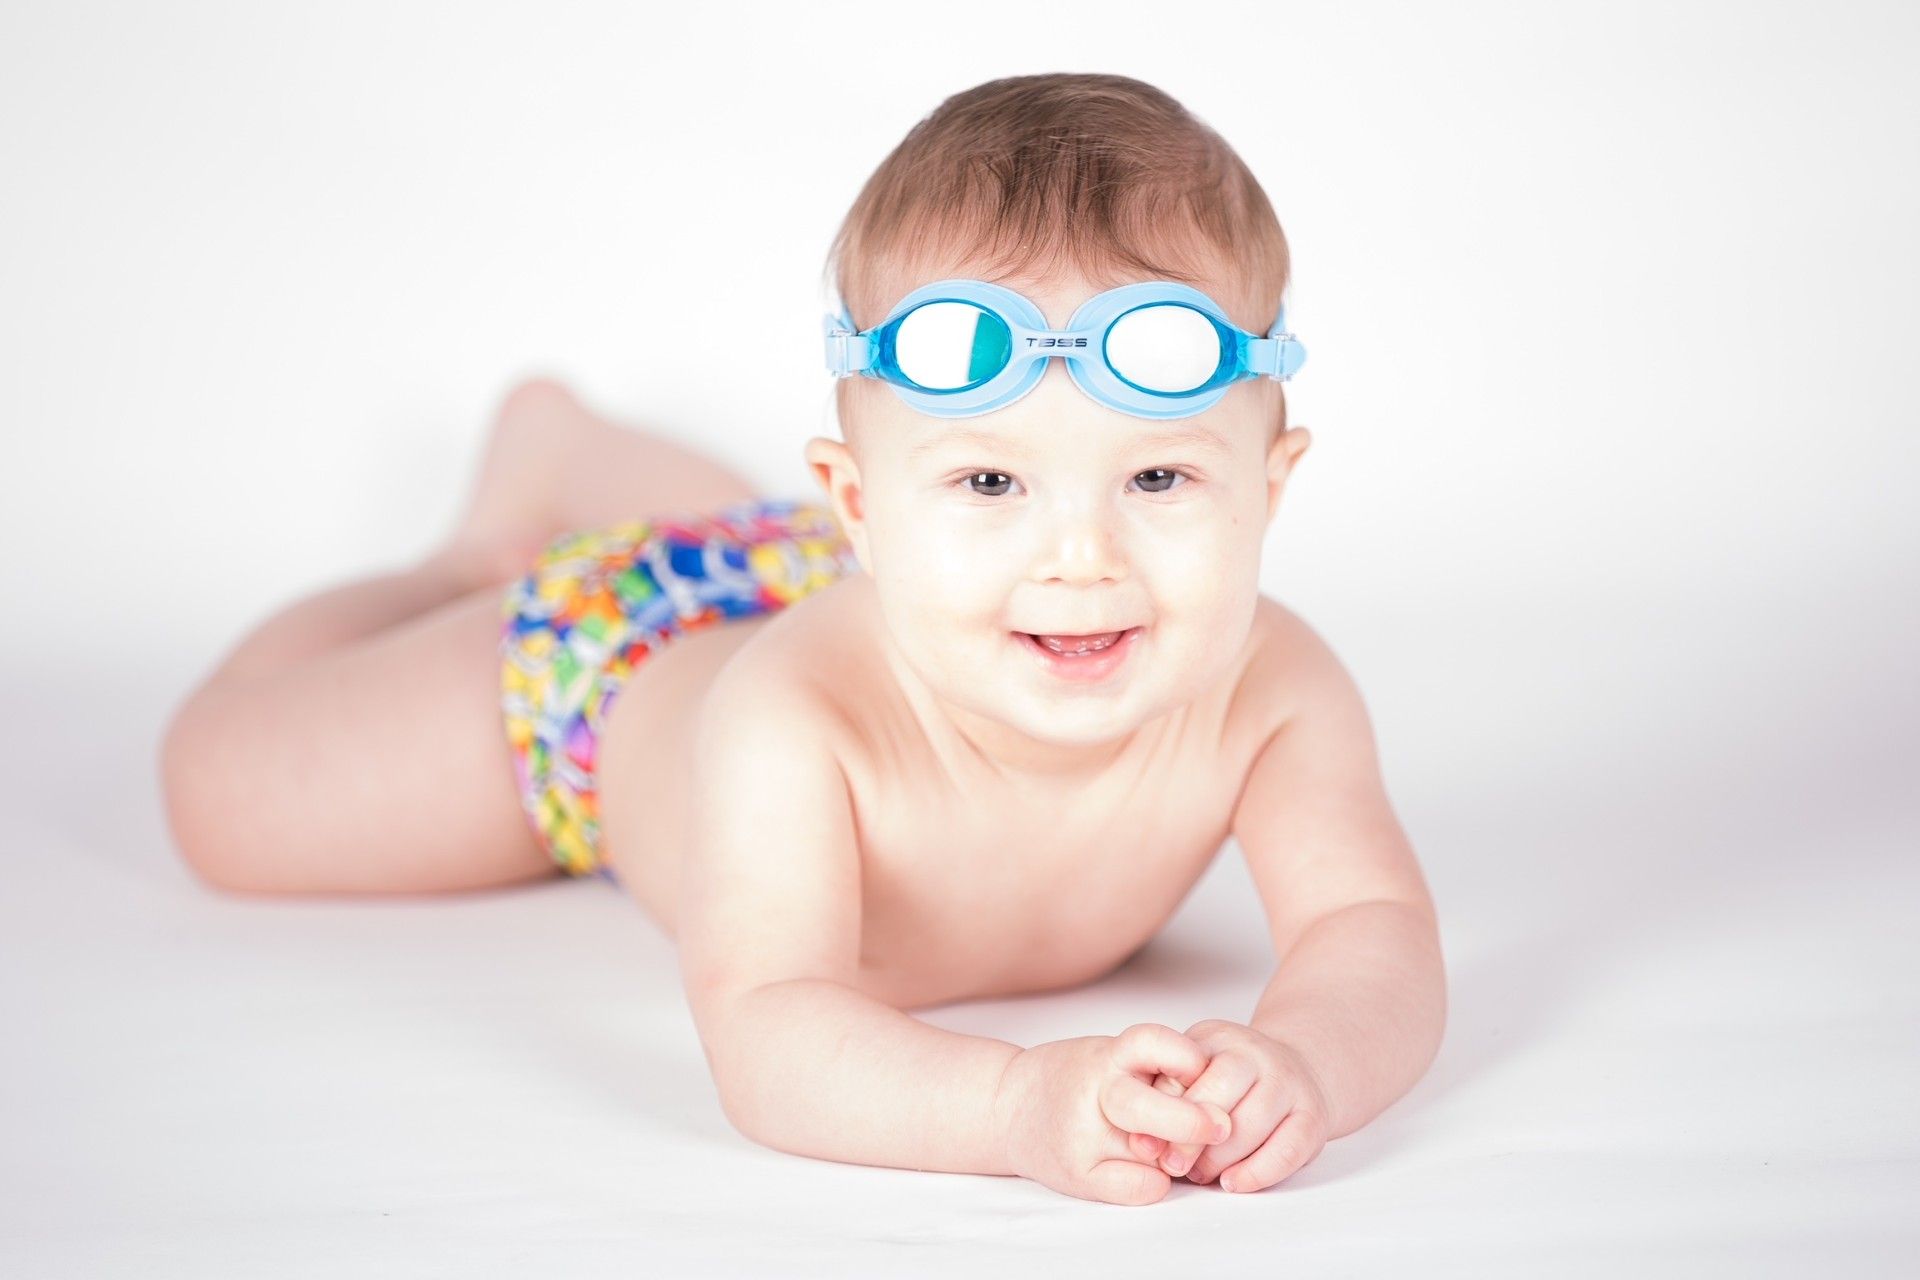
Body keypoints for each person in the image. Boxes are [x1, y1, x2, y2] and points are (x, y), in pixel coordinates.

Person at [159, 72, 1445, 1206]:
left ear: (1269, 489)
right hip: (599, 680)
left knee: (774, 539)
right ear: (863, 503)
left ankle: (577, 451)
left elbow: (1369, 920)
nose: (1081, 557)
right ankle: (482, 550)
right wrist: (1010, 1105)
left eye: (1157, 481)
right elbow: (769, 1024)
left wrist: (1310, 1061)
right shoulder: (799, 722)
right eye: (991, 483)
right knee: (220, 792)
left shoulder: (1276, 690)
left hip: (790, 563)